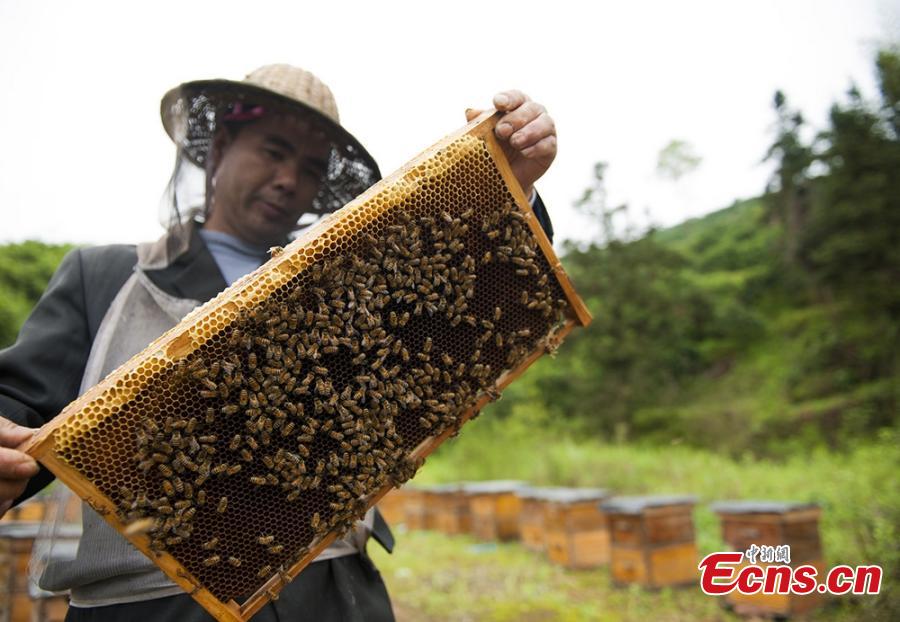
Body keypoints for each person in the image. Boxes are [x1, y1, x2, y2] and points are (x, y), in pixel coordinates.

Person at [0, 64, 558, 621]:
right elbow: (21, 409)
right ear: (220, 148)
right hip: (153, 607)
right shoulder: (104, 277)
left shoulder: (352, 276)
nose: (289, 178)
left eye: (309, 167)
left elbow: (466, 314)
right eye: (273, 151)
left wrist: (509, 188)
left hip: (331, 593)